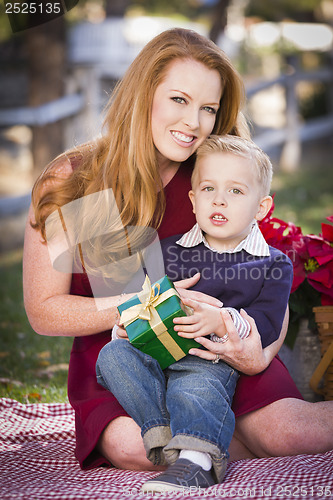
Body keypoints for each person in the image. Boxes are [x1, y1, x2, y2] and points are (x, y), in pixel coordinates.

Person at [23, 27, 333, 475]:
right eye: (179, 100)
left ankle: (211, 443)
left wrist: (259, 353)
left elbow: (266, 270)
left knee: (288, 433)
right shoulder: (78, 182)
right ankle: (211, 445)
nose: (194, 122)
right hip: (125, 358)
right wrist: (147, 302)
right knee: (136, 448)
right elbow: (44, 310)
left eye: (208, 108)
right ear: (143, 95)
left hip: (212, 349)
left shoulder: (212, 178)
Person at [95, 134, 294, 492]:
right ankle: (163, 433)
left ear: (261, 208)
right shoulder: (168, 251)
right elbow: (146, 299)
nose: (219, 199)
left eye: (236, 191)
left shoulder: (273, 264)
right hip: (157, 350)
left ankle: (197, 463)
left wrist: (222, 320)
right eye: (208, 188)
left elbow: (266, 323)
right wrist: (128, 324)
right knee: (113, 356)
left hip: (209, 355)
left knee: (194, 382)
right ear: (193, 199)